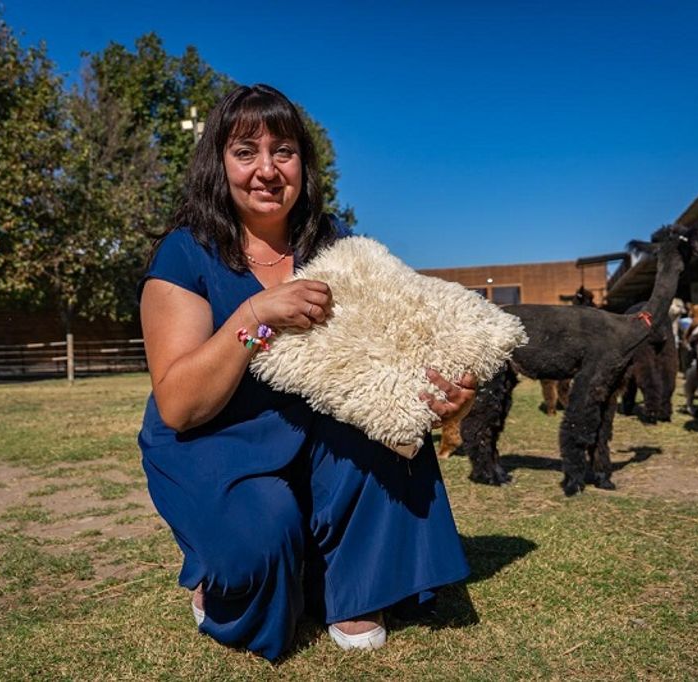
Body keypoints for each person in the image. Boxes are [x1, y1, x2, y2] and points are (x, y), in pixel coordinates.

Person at [137, 84, 472, 661]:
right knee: (260, 546)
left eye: (283, 151)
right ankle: (225, 568)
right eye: (246, 152)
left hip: (317, 434)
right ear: (219, 163)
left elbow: (398, 342)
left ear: (303, 164)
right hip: (216, 438)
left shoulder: (335, 241)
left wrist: (449, 396)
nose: (266, 169)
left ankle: (356, 590)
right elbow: (179, 405)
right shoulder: (185, 252)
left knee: (391, 434)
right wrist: (254, 315)